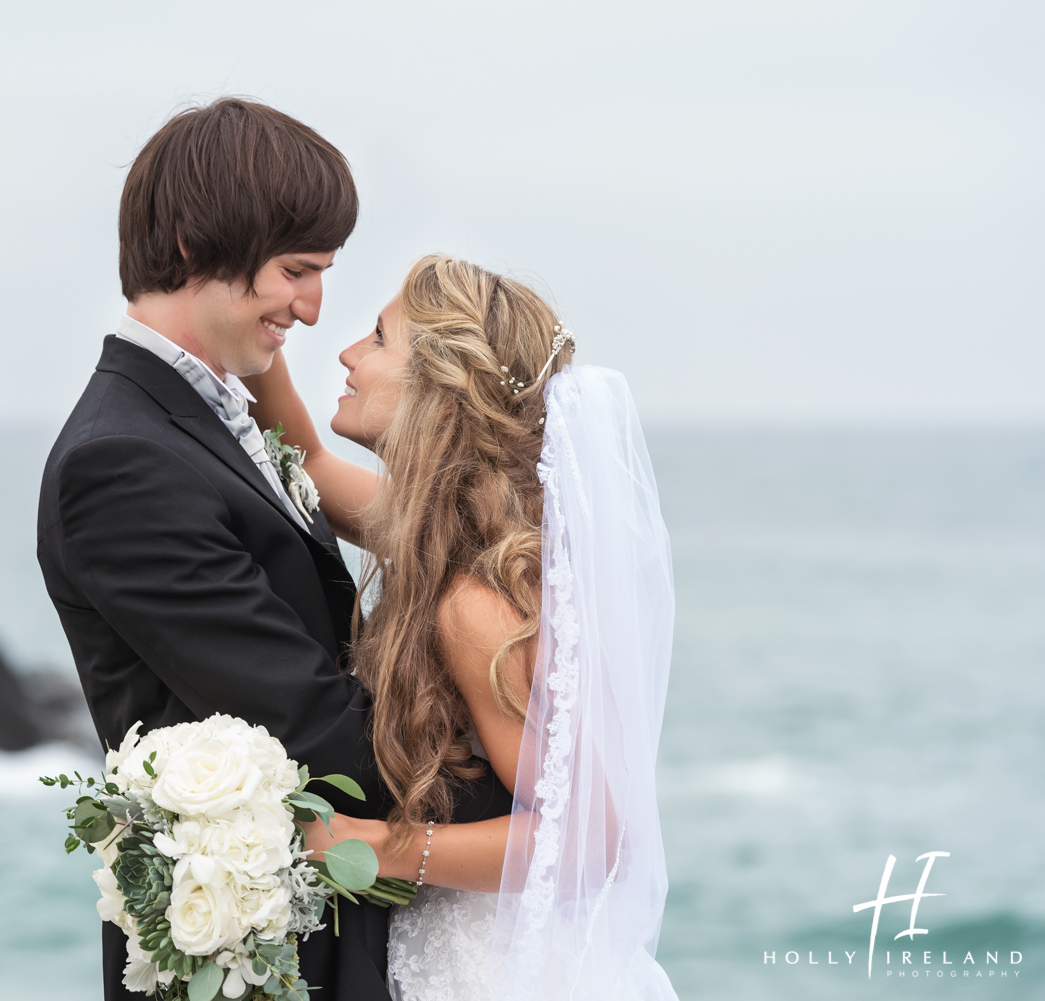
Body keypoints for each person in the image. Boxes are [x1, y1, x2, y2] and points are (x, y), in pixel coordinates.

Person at [37, 102, 513, 1001]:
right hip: (247, 963)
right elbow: (316, 721)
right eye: (297, 270)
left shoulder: (212, 415)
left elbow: (316, 464)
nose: (312, 305)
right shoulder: (122, 464)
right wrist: (525, 812)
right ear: (190, 243)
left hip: (333, 939)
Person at [245, 255, 680, 999]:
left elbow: (591, 838)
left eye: (378, 338)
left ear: (438, 392)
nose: (347, 353)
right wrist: (252, 321)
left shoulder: (475, 604)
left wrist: (377, 845)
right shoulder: (439, 540)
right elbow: (307, 456)